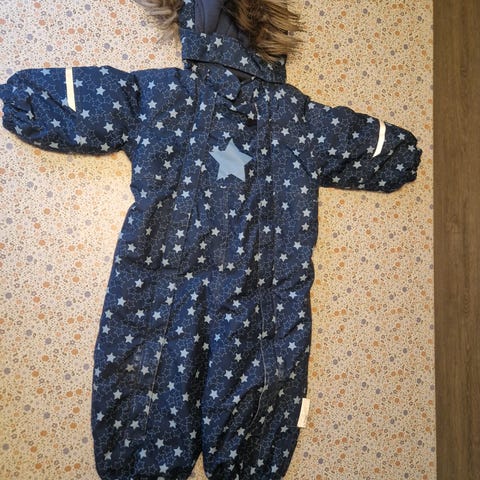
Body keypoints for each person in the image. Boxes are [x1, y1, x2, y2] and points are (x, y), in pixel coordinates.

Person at [0, 1, 421, 478]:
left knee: (148, 373)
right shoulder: (299, 120)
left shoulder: (163, 96)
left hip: (159, 284)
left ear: (193, 29)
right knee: (260, 378)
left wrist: (22, 97)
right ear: (271, 43)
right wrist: (401, 152)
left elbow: (64, 98)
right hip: (265, 297)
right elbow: (386, 151)